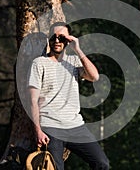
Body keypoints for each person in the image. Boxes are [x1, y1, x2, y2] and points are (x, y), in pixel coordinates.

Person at [27, 22, 109, 170]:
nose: (57, 41)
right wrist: (37, 130)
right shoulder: (39, 63)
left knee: (102, 163)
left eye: (62, 37)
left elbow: (95, 76)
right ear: (49, 39)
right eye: (53, 37)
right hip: (50, 127)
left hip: (76, 126)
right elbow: (32, 100)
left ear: (68, 40)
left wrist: (77, 49)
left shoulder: (74, 62)